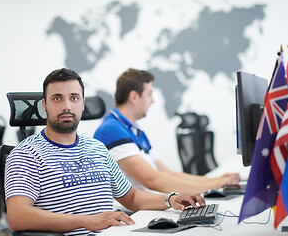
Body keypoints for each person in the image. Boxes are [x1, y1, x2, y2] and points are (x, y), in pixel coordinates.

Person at [4, 68, 205, 236]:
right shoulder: (26, 153)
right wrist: (86, 221)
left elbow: (132, 197)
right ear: (44, 105)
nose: (67, 106)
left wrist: (170, 199)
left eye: (74, 98)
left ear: (82, 104)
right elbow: (17, 216)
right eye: (57, 98)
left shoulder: (97, 148)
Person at [94, 68, 240, 195]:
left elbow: (166, 173)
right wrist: (214, 185)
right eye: (149, 94)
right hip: (132, 214)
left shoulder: (134, 129)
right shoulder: (111, 130)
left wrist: (217, 180)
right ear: (134, 97)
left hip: (146, 209)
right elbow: (151, 180)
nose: (152, 101)